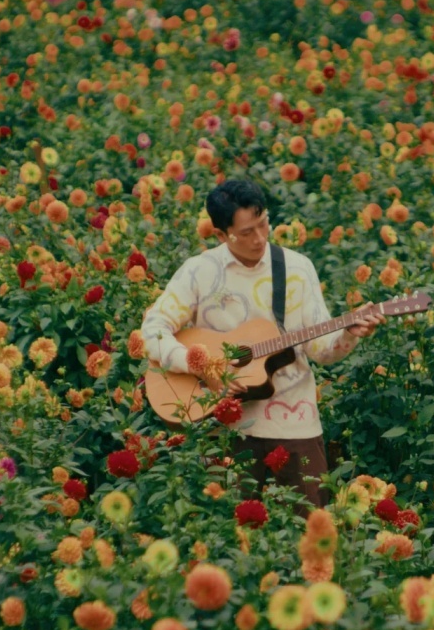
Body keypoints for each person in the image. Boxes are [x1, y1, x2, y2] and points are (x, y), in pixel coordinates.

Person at [140, 179, 384, 508]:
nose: (259, 238)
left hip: (295, 424)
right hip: (223, 430)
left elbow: (320, 351)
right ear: (221, 235)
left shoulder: (297, 269)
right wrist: (197, 363)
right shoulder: (199, 272)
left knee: (312, 526)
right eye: (246, 232)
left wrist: (346, 334)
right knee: (226, 534)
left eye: (263, 223)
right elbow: (154, 328)